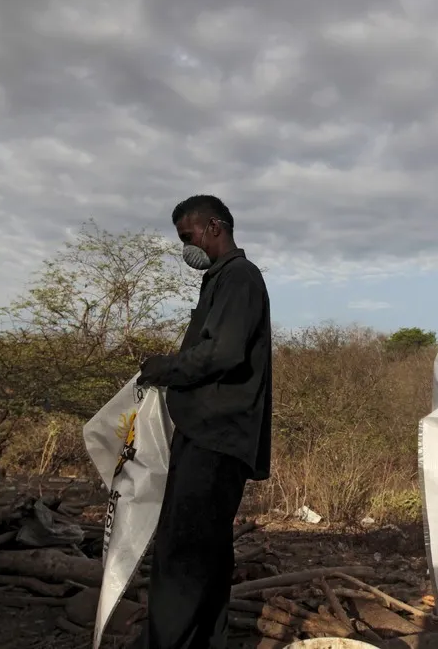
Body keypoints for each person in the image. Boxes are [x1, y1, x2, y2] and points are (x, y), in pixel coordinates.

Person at [130, 194, 272, 649]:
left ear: (215, 227)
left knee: (182, 551)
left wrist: (165, 368)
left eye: (187, 237)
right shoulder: (221, 281)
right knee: (207, 550)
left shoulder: (240, 278)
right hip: (209, 435)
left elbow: (225, 352)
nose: (185, 248)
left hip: (216, 436)